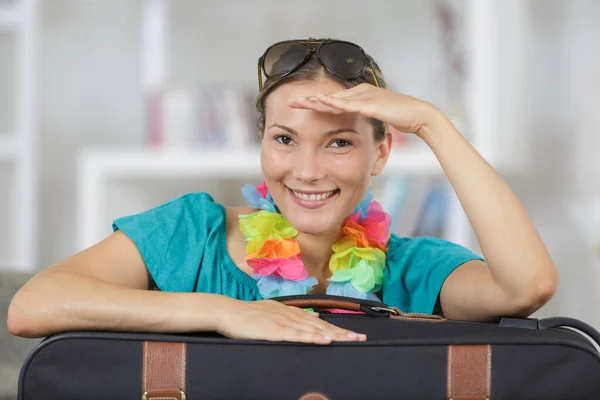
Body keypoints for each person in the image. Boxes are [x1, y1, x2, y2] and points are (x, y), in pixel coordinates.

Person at [7, 38, 558, 345]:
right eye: (285, 139)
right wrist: (224, 311)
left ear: (382, 153)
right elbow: (31, 308)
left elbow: (527, 285)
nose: (307, 170)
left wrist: (433, 124)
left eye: (339, 143)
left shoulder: (414, 268)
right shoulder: (191, 232)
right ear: (262, 142)